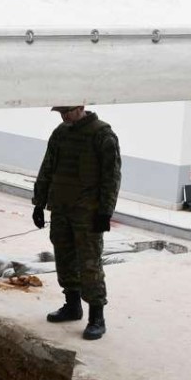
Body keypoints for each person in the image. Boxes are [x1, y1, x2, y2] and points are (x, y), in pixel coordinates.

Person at [32, 105, 122, 340]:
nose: (64, 116)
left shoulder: (102, 135)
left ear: (81, 107)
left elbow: (111, 177)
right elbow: (47, 168)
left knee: (89, 263)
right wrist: (39, 203)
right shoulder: (61, 132)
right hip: (61, 208)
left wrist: (105, 212)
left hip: (88, 212)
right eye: (61, 113)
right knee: (64, 257)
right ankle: (72, 305)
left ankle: (96, 317)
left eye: (68, 111)